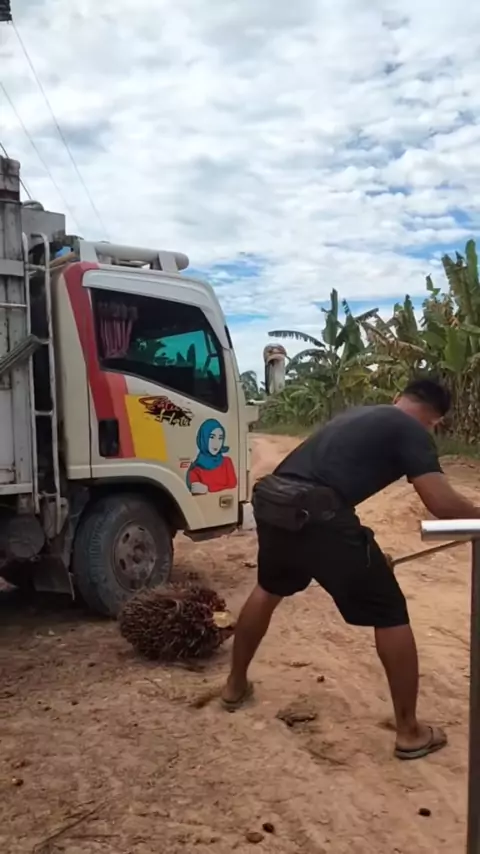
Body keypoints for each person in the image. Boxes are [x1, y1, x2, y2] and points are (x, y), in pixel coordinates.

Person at [221, 378, 480, 760]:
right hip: (318, 514)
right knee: (390, 612)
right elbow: (441, 504)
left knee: (269, 588)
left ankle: (234, 686)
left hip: (277, 503)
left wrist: (363, 560)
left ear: (398, 397)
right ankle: (410, 732)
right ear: (435, 420)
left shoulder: (362, 415)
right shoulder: (412, 429)